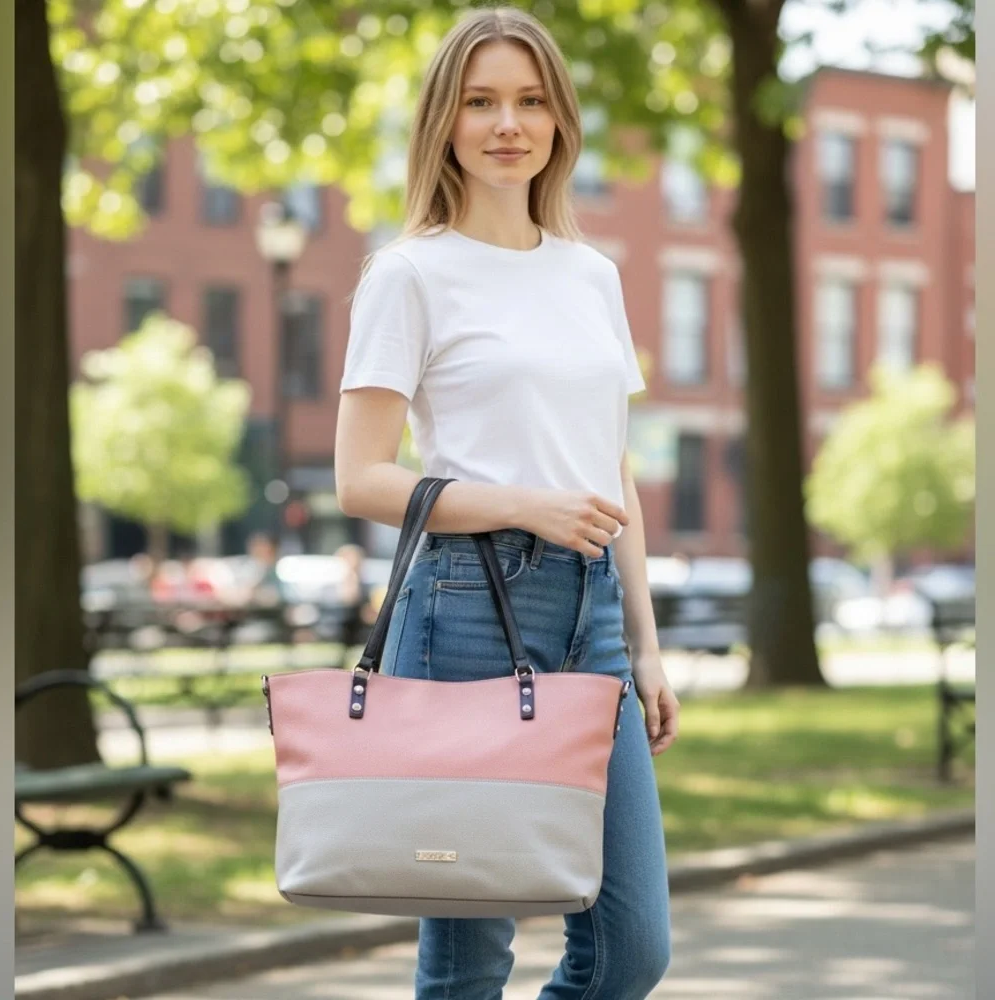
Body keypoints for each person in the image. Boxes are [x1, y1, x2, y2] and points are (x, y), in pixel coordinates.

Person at [335, 8, 680, 999]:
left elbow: (612, 472)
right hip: (461, 616)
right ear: (444, 120)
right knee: (469, 954)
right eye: (480, 101)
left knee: (630, 946)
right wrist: (523, 503)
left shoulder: (592, 276)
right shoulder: (407, 273)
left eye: (529, 101)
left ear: (559, 122)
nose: (506, 124)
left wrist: (646, 644)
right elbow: (360, 478)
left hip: (594, 621)